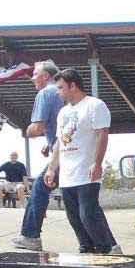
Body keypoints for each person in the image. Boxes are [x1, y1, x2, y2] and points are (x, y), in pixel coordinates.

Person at [44, 68, 120, 254]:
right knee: (74, 217)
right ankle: (86, 247)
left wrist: (98, 163)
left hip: (87, 172)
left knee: (88, 213)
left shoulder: (94, 105)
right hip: (68, 175)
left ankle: (106, 248)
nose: (58, 92)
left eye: (61, 88)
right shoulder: (62, 112)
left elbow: (103, 135)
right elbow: (59, 144)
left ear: (73, 85)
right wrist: (51, 168)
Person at [11, 60, 65, 250]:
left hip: (63, 155)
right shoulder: (64, 93)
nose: (32, 77)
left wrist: (28, 130)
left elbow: (37, 127)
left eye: (35, 74)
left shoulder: (45, 93)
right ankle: (103, 245)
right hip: (71, 152)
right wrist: (49, 144)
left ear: (45, 76)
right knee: (79, 201)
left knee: (39, 190)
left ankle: (30, 236)